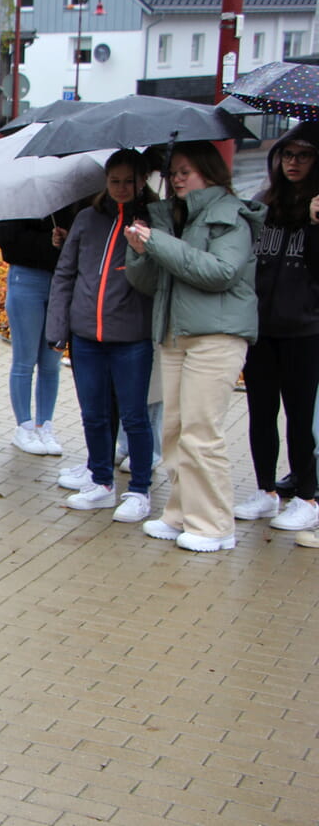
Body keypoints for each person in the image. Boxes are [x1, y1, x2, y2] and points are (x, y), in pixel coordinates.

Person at [124, 140, 265, 553]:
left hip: (216, 336)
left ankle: (214, 525)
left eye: (187, 171)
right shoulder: (174, 218)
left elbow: (219, 272)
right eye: (173, 173)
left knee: (202, 432)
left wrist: (160, 244)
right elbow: (150, 283)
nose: (178, 179)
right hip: (175, 333)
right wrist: (141, 254)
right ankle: (181, 513)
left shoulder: (230, 215)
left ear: (210, 171)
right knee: (175, 430)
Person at [46, 149, 157, 523]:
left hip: (130, 339)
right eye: (115, 181)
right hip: (86, 337)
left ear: (142, 182)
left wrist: (145, 246)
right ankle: (101, 482)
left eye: (129, 181)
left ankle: (140, 489)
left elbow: (156, 279)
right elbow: (65, 274)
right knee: (93, 414)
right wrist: (58, 326)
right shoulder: (87, 219)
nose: (121, 188)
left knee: (134, 415)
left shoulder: (151, 221)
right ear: (105, 183)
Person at [232, 124, 319, 533]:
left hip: (305, 330)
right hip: (262, 328)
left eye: (303, 155)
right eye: (287, 155)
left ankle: (307, 495)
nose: (293, 163)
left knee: (300, 417)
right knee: (260, 413)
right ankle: (266, 490)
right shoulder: (265, 203)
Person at [0, 210, 74, 456]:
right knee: (25, 359)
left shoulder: (70, 200)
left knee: (52, 362)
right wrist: (46, 241)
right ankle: (24, 426)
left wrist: (65, 239)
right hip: (26, 280)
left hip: (60, 282)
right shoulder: (16, 201)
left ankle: (45, 425)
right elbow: (8, 243)